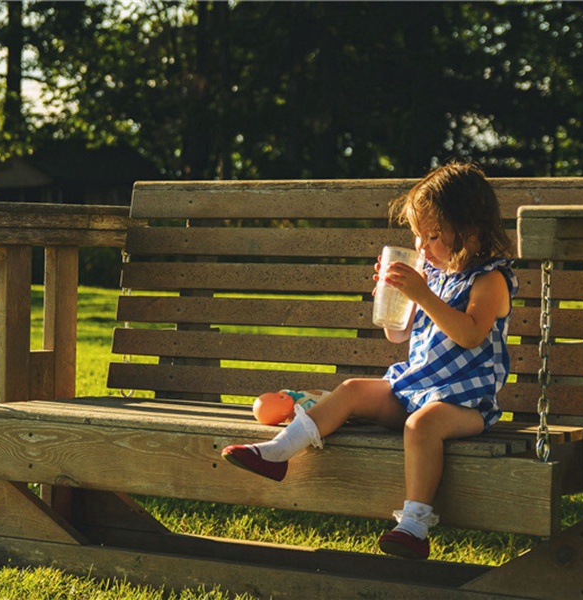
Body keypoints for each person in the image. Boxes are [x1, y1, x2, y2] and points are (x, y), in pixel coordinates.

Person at [221, 161, 518, 560]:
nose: (421, 248)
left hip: (465, 403)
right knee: (352, 390)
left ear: (470, 230)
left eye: (432, 236)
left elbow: (469, 333)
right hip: (416, 388)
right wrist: (393, 296)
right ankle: (277, 453)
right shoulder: (434, 274)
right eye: (417, 236)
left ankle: (414, 524)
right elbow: (397, 334)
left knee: (422, 424)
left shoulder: (490, 280)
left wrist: (422, 295)